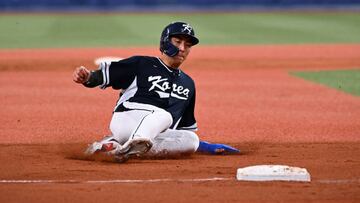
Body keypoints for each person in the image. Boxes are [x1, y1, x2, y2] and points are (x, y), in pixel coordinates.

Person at [73, 22, 239, 163]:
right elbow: (102, 76)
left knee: (191, 140)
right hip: (127, 118)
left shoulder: (188, 84)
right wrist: (87, 77)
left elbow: (181, 132)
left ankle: (113, 148)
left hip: (154, 134)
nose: (182, 48)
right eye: (177, 41)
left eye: (187, 45)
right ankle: (132, 142)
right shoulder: (142, 64)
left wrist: (208, 147)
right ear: (165, 42)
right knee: (164, 116)